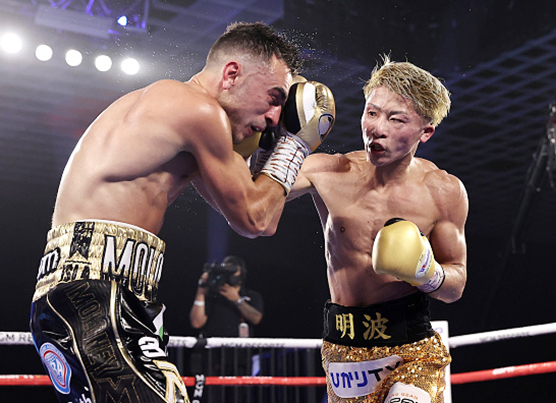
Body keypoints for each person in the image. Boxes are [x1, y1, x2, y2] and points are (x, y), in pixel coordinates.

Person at [29, 21, 334, 403]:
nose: (274, 116)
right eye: (273, 98)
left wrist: (274, 151)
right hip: (94, 294)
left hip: (104, 293)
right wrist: (295, 145)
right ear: (232, 74)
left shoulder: (183, 125)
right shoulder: (198, 111)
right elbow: (254, 217)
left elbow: (262, 216)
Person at [286, 56, 469, 403]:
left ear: (425, 132)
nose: (377, 128)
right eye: (371, 113)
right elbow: (251, 203)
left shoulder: (443, 191)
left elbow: (455, 286)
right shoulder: (328, 172)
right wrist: (278, 139)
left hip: (413, 350)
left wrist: (427, 273)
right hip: (343, 350)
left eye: (396, 119)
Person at [189, 255, 263, 402]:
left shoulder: (251, 296)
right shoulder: (212, 296)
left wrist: (236, 299)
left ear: (241, 273)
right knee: (210, 398)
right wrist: (201, 290)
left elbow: (256, 318)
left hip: (240, 361)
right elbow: (196, 322)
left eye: (233, 270)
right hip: (212, 360)